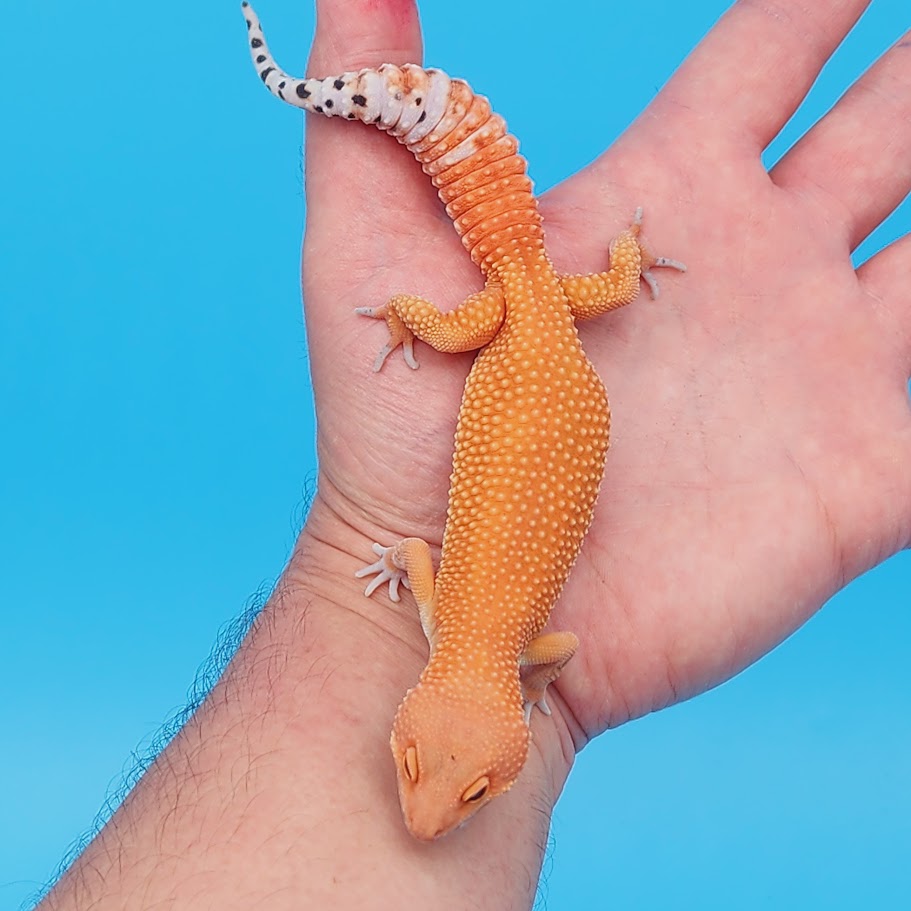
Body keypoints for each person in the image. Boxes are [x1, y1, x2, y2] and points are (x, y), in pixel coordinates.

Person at [41, 0, 910, 907]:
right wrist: (408, 371)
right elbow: (412, 556)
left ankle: (609, 268)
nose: (425, 808)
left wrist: (534, 681)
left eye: (425, 766)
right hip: (530, 317)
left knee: (484, 318)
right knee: (468, 322)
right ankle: (611, 267)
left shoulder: (517, 646)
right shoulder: (443, 615)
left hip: (531, 317)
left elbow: (548, 640)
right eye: (468, 783)